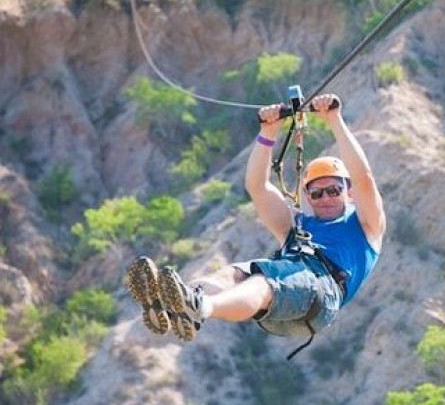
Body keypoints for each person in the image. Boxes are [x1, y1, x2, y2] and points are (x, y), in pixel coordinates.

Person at [125, 93, 385, 351]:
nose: (325, 197)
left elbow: (364, 178)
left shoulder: (366, 225)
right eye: (317, 193)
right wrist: (268, 132)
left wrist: (334, 120)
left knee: (262, 282)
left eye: (334, 189)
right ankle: (176, 305)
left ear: (348, 192)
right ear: (307, 196)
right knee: (233, 273)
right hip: (281, 306)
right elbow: (257, 187)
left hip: (320, 293)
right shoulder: (298, 227)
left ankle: (200, 307)